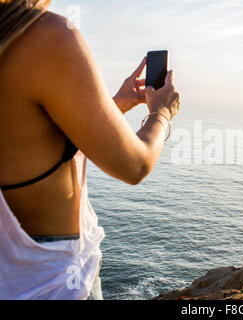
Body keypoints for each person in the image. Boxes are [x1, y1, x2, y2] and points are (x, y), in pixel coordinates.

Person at [0, 0, 180, 299]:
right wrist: (162, 113)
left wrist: (116, 105)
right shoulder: (44, 34)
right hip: (53, 279)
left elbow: (31, 141)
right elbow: (134, 166)